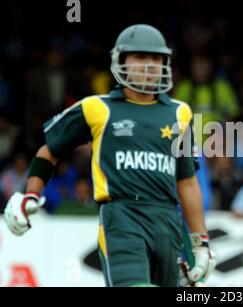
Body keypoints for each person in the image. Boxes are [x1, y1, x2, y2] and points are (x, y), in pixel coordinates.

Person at [3, 24, 215, 287]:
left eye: (155, 58)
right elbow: (49, 151)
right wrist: (30, 194)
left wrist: (200, 243)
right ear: (120, 60)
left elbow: (187, 181)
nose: (148, 65)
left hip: (166, 220)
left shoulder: (179, 113)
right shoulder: (97, 108)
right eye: (140, 57)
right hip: (121, 216)